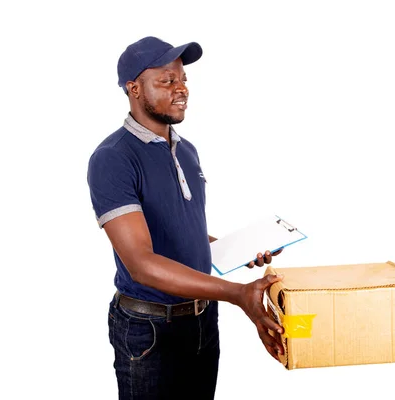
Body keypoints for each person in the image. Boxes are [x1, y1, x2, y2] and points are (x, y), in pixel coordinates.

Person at [86, 36, 285, 399]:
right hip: (149, 330)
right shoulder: (113, 158)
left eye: (183, 79)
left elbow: (179, 232)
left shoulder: (186, 150)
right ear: (134, 88)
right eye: (167, 80)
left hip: (203, 322)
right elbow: (142, 264)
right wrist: (237, 294)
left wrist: (235, 248)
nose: (182, 89)